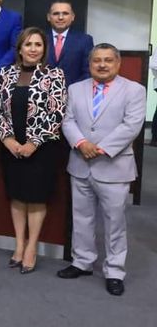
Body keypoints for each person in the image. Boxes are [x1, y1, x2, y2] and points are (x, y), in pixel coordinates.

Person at [58, 44, 146, 297]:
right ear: (90, 64)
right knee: (82, 217)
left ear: (118, 64)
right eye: (97, 60)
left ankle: (115, 271)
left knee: (114, 222)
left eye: (108, 60)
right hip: (80, 162)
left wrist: (101, 148)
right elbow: (68, 120)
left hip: (114, 165)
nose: (102, 65)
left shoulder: (134, 90)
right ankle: (82, 262)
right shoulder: (75, 89)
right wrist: (81, 143)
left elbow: (131, 126)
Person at [0, 27, 66, 274]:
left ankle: (31, 248)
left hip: (41, 149)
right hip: (12, 147)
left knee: (36, 197)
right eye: (28, 44)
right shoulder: (5, 73)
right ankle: (18, 245)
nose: (33, 49)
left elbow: (57, 113)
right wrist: (8, 140)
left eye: (38, 45)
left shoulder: (54, 75)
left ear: (44, 49)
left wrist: (33, 143)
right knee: (16, 196)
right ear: (20, 49)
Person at [45, 0, 94, 86]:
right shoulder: (39, 39)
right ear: (49, 17)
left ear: (72, 17)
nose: (60, 17)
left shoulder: (85, 40)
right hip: (42, 94)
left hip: (74, 94)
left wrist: (74, 90)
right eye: (56, 13)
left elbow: (88, 72)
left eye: (65, 13)